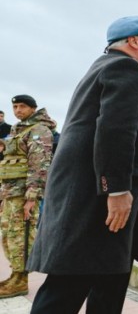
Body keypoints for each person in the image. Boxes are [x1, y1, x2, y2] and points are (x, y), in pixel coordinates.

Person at [27, 17, 138, 312]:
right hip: (97, 204)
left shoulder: (101, 67)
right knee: (68, 289)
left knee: (107, 283)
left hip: (88, 198)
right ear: (134, 41)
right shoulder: (125, 68)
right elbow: (115, 130)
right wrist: (116, 190)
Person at [0, 94, 56, 299]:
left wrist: (31, 197)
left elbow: (39, 166)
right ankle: (15, 274)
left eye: (22, 106)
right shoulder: (17, 129)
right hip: (11, 192)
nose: (17, 110)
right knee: (8, 235)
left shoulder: (39, 130)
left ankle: (21, 280)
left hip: (24, 194)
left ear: (33, 108)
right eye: (15, 106)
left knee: (21, 235)